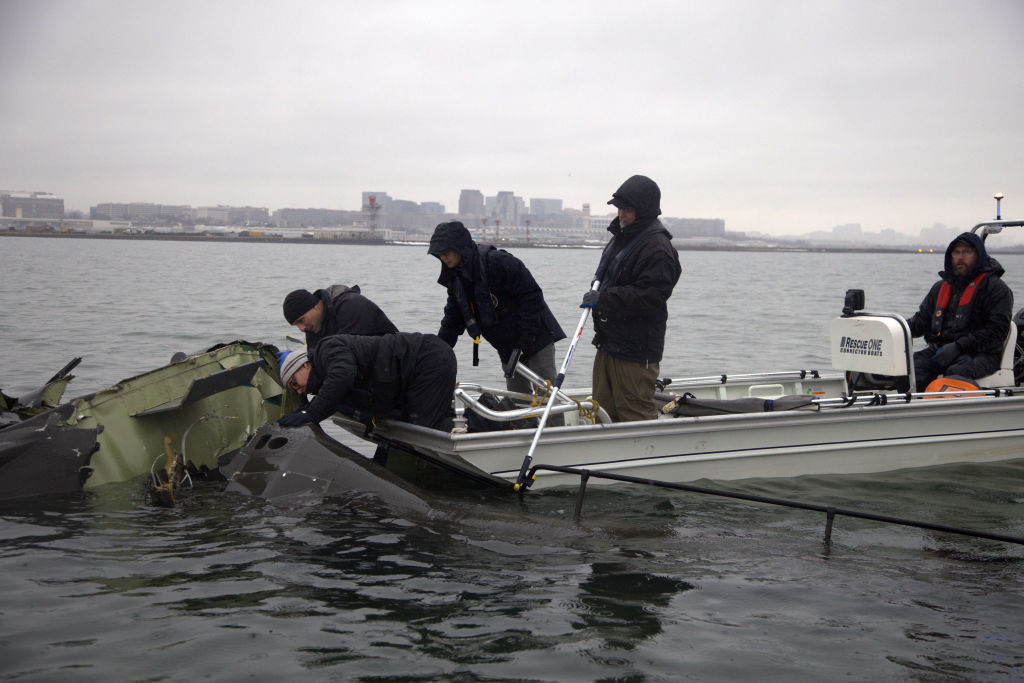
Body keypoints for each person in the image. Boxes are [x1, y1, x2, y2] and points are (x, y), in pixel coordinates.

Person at [580, 174, 681, 422]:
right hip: (609, 342)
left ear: (644, 210)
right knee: (601, 411)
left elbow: (650, 297)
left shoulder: (657, 248)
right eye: (619, 208)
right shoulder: (621, 238)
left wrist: (604, 298)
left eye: (627, 209)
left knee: (634, 414)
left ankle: (647, 457)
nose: (621, 214)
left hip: (636, 351)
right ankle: (605, 459)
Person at [427, 221, 566, 396]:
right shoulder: (455, 279)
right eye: (439, 255)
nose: (443, 258)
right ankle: (522, 424)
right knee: (517, 398)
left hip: (536, 338)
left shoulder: (498, 262)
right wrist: (438, 352)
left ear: (460, 248)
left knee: (546, 395)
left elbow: (532, 296)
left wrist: (525, 340)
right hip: (507, 346)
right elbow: (452, 320)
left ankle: (553, 424)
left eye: (446, 253)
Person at [276, 332, 457, 432]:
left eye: (294, 383)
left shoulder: (327, 349)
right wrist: (303, 413)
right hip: (414, 373)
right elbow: (330, 397)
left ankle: (481, 426)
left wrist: (310, 415)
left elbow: (342, 377)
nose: (298, 390)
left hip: (427, 360)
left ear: (304, 365)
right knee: (418, 423)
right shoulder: (325, 379)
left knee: (427, 429)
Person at [906, 231, 1013, 392]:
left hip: (982, 354)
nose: (960, 257)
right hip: (941, 350)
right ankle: (906, 408)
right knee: (910, 368)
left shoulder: (996, 289)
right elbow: (921, 321)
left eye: (967, 252)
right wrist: (897, 329)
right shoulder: (939, 288)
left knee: (954, 376)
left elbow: (997, 331)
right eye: (956, 252)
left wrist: (959, 346)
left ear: (979, 255)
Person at [282, 285, 398, 348]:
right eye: (296, 325)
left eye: (301, 320)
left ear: (315, 306)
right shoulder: (313, 329)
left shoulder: (352, 306)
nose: (302, 329)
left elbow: (346, 355)